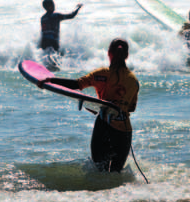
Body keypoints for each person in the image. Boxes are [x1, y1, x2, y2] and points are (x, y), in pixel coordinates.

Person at [38, 38, 139, 173]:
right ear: (127, 55)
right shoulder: (133, 81)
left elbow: (77, 84)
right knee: (116, 175)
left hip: (104, 127)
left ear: (109, 53)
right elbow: (131, 108)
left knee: (99, 172)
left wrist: (50, 80)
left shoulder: (101, 74)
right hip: (123, 133)